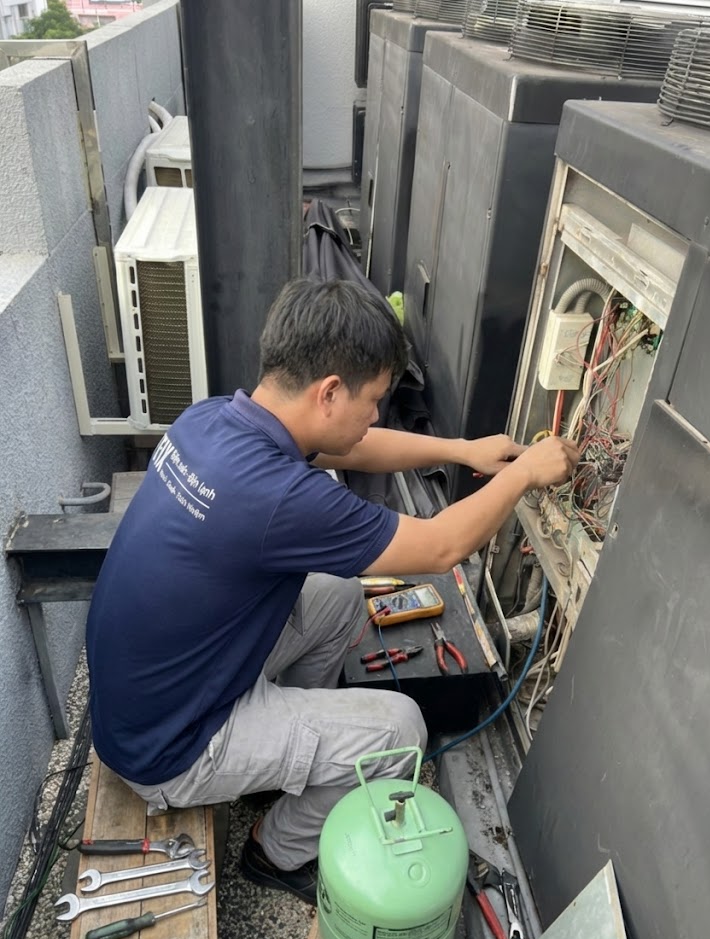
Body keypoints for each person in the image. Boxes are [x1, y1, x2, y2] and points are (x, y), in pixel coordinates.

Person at [86, 278, 578, 905]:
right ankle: (275, 849)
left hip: (148, 695)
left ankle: (293, 760)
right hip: (172, 747)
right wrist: (526, 472)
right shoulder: (280, 498)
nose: (375, 416)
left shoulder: (212, 421)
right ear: (329, 392)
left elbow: (357, 448)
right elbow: (440, 547)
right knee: (400, 731)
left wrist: (463, 451)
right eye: (373, 400)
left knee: (341, 594)